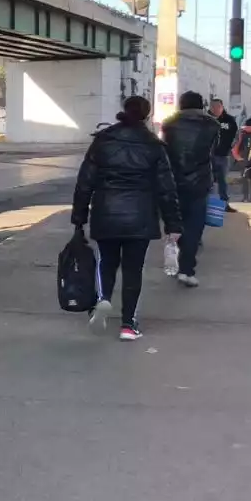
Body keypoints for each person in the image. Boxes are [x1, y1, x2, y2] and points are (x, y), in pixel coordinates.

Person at [71, 96, 182, 341]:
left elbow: (84, 182)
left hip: (106, 212)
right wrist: (173, 224)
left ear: (123, 111)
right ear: (146, 115)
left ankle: (102, 300)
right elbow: (166, 188)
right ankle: (128, 325)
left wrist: (79, 217)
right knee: (133, 270)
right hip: (140, 216)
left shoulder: (103, 141)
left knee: (106, 263)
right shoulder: (153, 145)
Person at [161, 91, 220, 287]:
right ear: (201, 104)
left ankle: (176, 261)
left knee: (175, 222)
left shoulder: (169, 123)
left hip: (172, 180)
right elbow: (214, 153)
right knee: (194, 227)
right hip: (200, 181)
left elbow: (165, 152)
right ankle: (187, 269)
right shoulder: (212, 124)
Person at [208, 98, 239, 212]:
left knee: (223, 181)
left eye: (218, 107)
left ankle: (224, 203)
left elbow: (236, 135)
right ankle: (208, 205)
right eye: (213, 107)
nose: (215, 109)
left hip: (223, 155)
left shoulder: (229, 120)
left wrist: (231, 147)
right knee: (208, 181)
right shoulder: (206, 119)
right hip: (207, 156)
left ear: (222, 107)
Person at [232, 118, 251, 202]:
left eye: (249, 126)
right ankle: (245, 197)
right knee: (245, 178)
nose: (247, 128)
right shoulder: (241, 134)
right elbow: (235, 146)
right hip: (244, 159)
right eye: (247, 126)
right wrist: (237, 157)